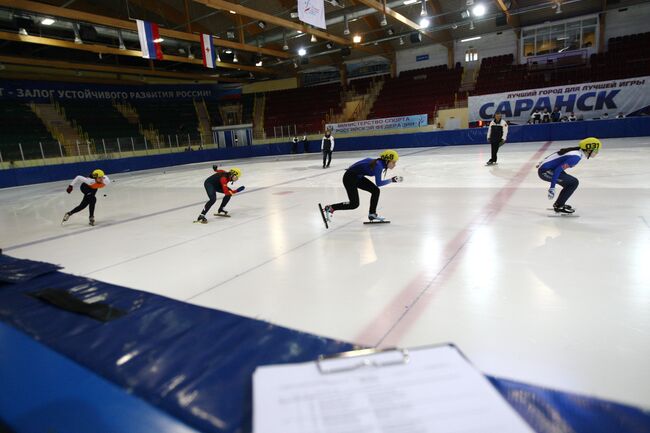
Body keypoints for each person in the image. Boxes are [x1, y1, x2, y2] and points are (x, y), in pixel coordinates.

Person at [322, 150, 403, 223]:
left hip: (357, 177)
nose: (394, 165)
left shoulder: (377, 162)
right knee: (354, 204)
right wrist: (392, 180)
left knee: (375, 190)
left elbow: (362, 162)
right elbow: (379, 183)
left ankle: (372, 214)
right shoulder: (378, 166)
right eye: (393, 162)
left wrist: (353, 169)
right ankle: (330, 208)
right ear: (387, 160)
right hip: (349, 178)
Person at [536, 137, 601, 214]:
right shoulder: (575, 157)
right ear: (588, 150)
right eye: (596, 150)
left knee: (570, 183)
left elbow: (557, 154)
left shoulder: (576, 151)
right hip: (545, 172)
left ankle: (559, 204)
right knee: (573, 183)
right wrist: (552, 188)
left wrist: (542, 162)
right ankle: (559, 206)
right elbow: (557, 170)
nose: (597, 152)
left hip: (549, 169)